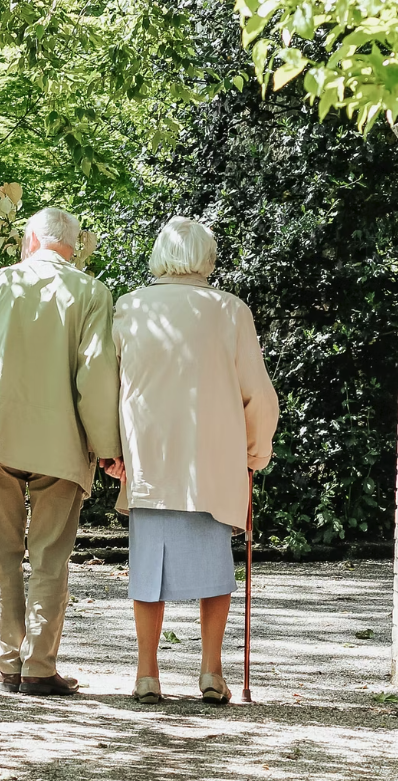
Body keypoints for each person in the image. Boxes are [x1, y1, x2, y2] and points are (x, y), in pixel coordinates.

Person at [0, 207, 122, 696]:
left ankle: (8, 663)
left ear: (31, 240)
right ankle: (39, 668)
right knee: (49, 558)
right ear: (74, 246)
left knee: (1, 555)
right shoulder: (92, 293)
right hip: (61, 444)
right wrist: (107, 447)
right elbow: (96, 374)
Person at [110, 216, 279, 705]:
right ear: (207, 257)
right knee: (214, 568)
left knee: (147, 569)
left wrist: (110, 450)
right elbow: (257, 394)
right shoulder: (229, 311)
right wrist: (255, 449)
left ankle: (146, 673)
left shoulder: (130, 307)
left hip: (150, 457)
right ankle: (211, 670)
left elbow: (109, 385)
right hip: (212, 459)